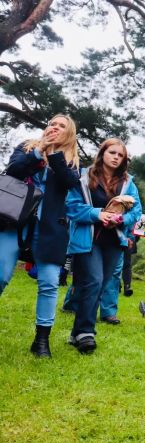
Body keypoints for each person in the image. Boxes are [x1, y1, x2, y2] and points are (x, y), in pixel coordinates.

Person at [0, 114, 81, 357]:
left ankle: (41, 340)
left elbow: (70, 183)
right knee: (1, 275)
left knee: (48, 282)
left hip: (51, 228)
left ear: (69, 134)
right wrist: (39, 152)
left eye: (61, 126)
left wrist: (54, 153)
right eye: (52, 124)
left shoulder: (71, 161)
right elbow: (12, 170)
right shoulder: (27, 148)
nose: (54, 128)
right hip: (13, 223)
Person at [66, 138, 142, 354]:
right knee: (94, 280)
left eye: (121, 155)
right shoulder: (83, 176)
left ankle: (76, 333)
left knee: (99, 285)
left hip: (114, 242)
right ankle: (86, 333)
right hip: (87, 240)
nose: (116, 157)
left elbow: (136, 212)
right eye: (113, 152)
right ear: (102, 153)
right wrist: (98, 214)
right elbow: (72, 207)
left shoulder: (128, 183)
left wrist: (120, 220)